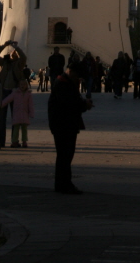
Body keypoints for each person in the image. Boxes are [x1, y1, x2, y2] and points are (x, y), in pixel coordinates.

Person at [48, 60, 93, 194]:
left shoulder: (63, 82)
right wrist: (85, 105)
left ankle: (62, 183)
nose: (78, 79)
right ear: (71, 72)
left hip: (63, 125)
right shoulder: (63, 84)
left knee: (64, 156)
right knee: (65, 155)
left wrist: (83, 103)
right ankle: (64, 184)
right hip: (63, 125)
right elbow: (70, 105)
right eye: (77, 76)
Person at [0, 40, 27, 147]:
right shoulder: (3, 63)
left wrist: (16, 47)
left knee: (14, 118)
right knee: (2, 118)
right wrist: (4, 45)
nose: (13, 53)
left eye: (15, 53)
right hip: (3, 91)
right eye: (12, 52)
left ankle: (14, 141)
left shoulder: (19, 64)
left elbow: (24, 57)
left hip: (14, 92)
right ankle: (1, 141)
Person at [1, 78, 35, 146]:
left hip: (25, 114)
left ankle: (24, 141)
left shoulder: (28, 94)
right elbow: (8, 99)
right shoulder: (15, 93)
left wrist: (31, 113)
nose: (22, 86)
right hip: (16, 114)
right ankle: (14, 141)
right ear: (18, 85)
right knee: (16, 130)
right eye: (21, 84)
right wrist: (1, 104)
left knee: (24, 130)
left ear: (27, 85)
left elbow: (30, 105)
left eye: (24, 84)